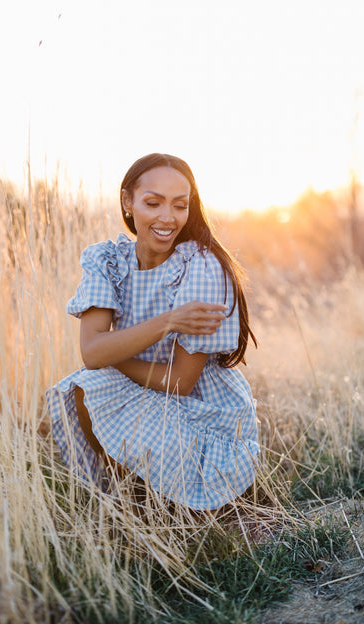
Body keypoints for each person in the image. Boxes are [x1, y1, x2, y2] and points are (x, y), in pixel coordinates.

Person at [46, 153, 259, 511]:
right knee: (71, 396)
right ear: (128, 201)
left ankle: (176, 507)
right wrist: (169, 321)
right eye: (152, 203)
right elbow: (92, 354)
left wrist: (112, 357)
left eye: (180, 206)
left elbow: (180, 382)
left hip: (203, 412)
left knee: (90, 387)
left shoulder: (202, 267)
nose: (167, 218)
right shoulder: (107, 261)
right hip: (143, 391)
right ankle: (117, 507)